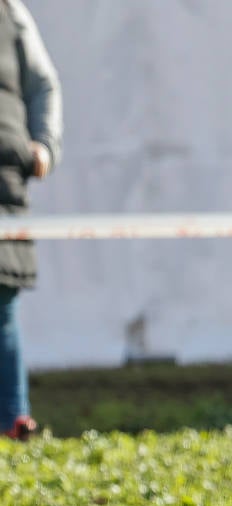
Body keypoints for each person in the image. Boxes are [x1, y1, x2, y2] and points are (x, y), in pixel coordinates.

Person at [0, 0, 60, 441]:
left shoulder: (9, 11)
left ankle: (12, 422)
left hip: (4, 182)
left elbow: (43, 85)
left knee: (1, 300)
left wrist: (44, 146)